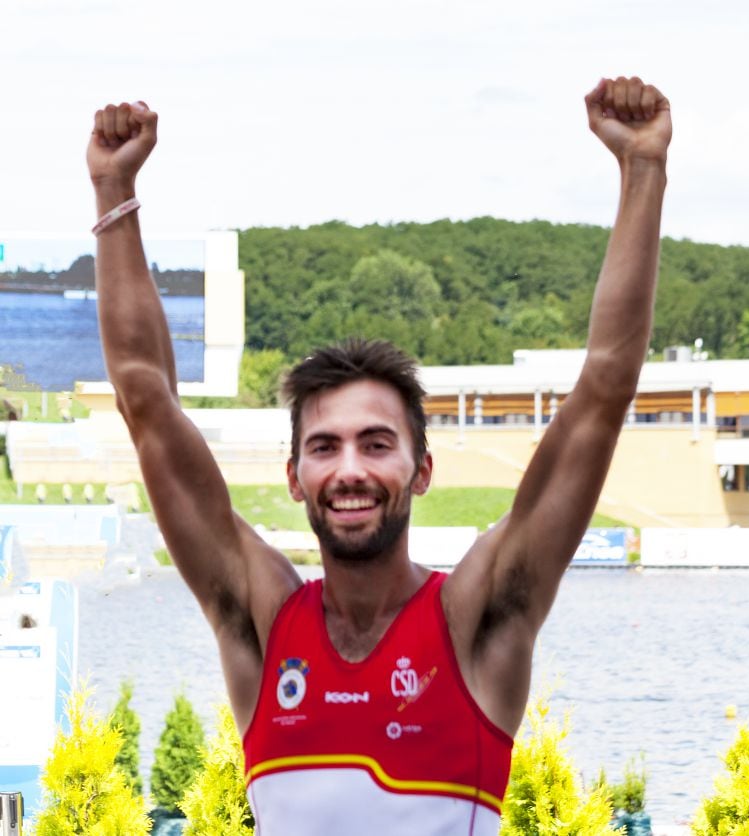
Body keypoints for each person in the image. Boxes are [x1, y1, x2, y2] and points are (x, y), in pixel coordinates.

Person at [87, 76, 671, 835]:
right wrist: (113, 190)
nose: (351, 470)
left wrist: (643, 171)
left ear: (421, 470)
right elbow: (146, 401)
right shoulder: (261, 622)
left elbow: (602, 390)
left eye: (377, 443)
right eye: (324, 447)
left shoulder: (479, 618)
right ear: (295, 478)